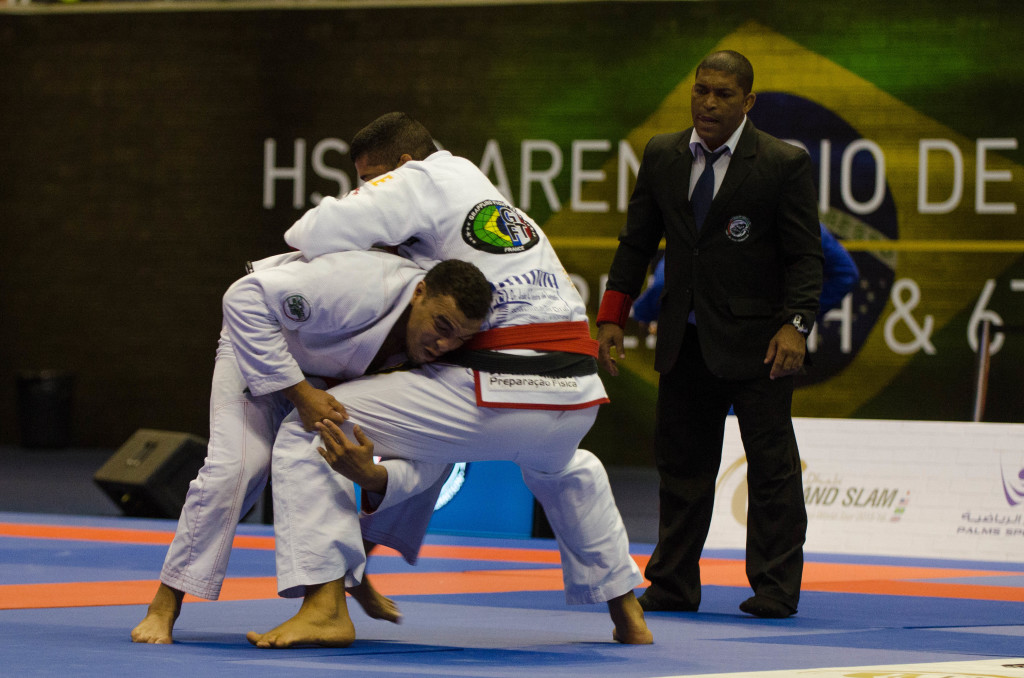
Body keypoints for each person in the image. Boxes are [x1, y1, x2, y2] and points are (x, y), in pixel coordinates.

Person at [245, 112, 652, 648]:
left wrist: (360, 208)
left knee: (315, 426)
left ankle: (323, 607)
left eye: (369, 179)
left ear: (402, 165)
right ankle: (629, 615)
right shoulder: (485, 195)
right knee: (570, 468)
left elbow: (308, 232)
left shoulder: (425, 177)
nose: (366, 192)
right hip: (576, 395)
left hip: (500, 384)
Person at [130, 250, 492, 644]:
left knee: (394, 450)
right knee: (237, 469)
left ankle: (347, 578)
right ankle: (164, 605)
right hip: (259, 350)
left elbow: (431, 452)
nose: (444, 343)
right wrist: (301, 394)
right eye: (441, 325)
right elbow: (242, 298)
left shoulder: (446, 355)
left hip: (328, 380)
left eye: (460, 337)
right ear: (419, 292)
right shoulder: (361, 287)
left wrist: (376, 475)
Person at [596, 51, 823, 619]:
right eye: (701, 91)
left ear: (748, 101)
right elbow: (636, 243)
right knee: (681, 469)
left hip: (759, 346)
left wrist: (795, 326)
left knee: (771, 470)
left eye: (724, 94)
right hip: (684, 338)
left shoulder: (780, 163)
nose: (709, 102)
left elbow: (805, 258)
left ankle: (775, 589)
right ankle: (672, 584)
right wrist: (610, 317)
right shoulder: (663, 154)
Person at [633, 223, 857, 331]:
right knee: (760, 420)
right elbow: (846, 274)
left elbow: (665, 281)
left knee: (704, 420)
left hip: (709, 339)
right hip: (772, 340)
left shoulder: (717, 218)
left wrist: (650, 313)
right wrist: (795, 319)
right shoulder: (806, 223)